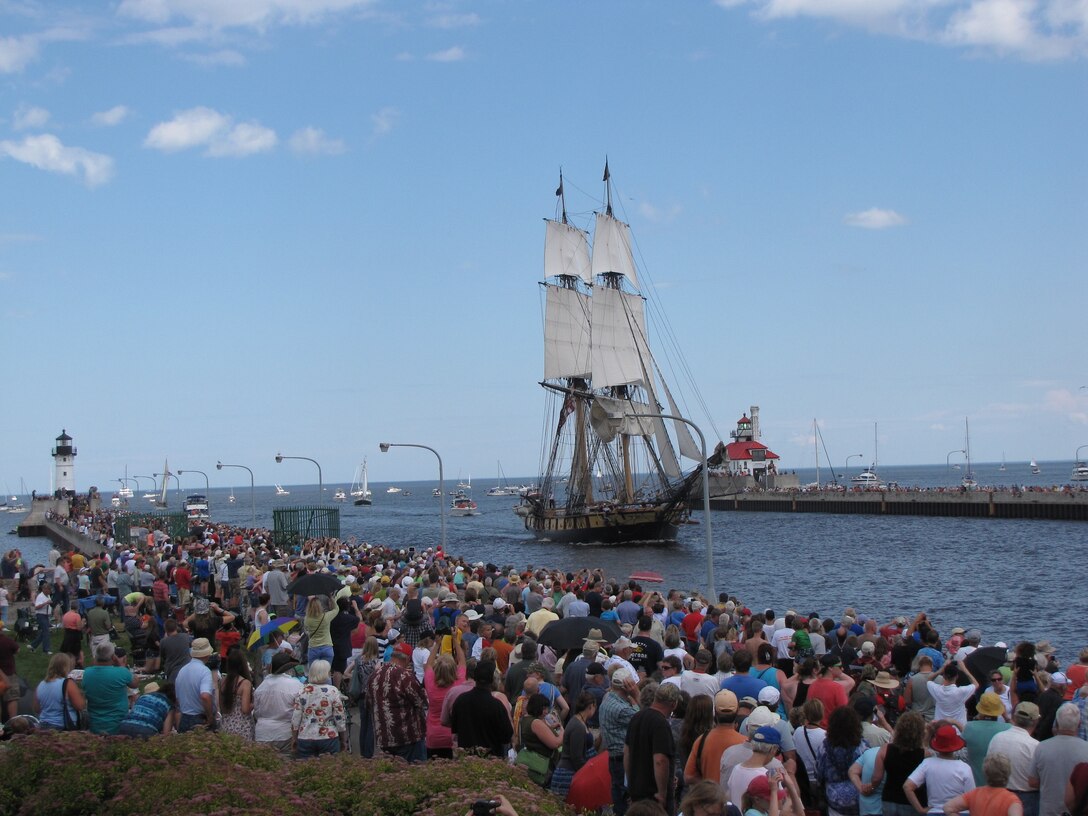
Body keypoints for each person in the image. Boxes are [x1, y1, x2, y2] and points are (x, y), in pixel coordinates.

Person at [626, 681, 681, 815]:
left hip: (637, 793)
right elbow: (660, 760)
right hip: (653, 797)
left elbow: (626, 753)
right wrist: (662, 793)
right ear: (674, 704)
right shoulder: (661, 724)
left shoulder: (636, 717)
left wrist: (631, 785)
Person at [366, 641, 427, 762]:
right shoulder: (405, 676)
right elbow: (421, 701)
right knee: (414, 775)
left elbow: (368, 703)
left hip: (384, 738)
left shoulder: (374, 675)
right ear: (407, 659)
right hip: (407, 737)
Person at [1029, 703, 1088, 816]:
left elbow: (1032, 781)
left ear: (1056, 723)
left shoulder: (1042, 747)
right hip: (1077, 811)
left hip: (1049, 811)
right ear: (1079, 724)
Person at [905, 724, 975, 815]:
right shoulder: (964, 768)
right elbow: (972, 798)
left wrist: (920, 810)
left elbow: (907, 786)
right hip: (959, 812)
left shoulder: (927, 764)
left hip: (935, 812)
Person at [450, 660, 515, 758]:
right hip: (491, 760)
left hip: (466, 759)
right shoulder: (496, 705)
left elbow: (454, 727)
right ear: (492, 680)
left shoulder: (461, 700)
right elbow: (506, 736)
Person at [987, 701, 1041, 816]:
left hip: (998, 795)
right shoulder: (1035, 746)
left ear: (1014, 717)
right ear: (1035, 721)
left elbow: (988, 766)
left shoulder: (997, 738)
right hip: (1026, 799)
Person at [602, 666, 642, 816]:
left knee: (618, 795)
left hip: (614, 757)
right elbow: (645, 718)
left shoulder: (608, 699)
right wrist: (636, 694)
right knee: (625, 800)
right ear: (628, 685)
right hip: (622, 758)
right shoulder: (621, 709)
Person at [685, 689, 747, 785]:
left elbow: (688, 777)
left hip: (710, 797)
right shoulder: (745, 743)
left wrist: (709, 784)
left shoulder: (702, 740)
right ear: (737, 711)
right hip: (734, 799)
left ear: (715, 711)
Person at [871, 711, 927, 816]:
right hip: (915, 801)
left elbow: (877, 778)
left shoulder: (885, 749)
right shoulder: (925, 754)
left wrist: (871, 787)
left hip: (890, 799)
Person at [291, 658, 347, 758]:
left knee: (306, 770)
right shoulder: (333, 691)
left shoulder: (303, 691)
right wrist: (343, 738)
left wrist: (294, 738)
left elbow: (296, 717)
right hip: (328, 736)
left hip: (305, 736)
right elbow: (339, 717)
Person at [817, 706, 867, 816]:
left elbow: (819, 773)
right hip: (859, 798)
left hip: (834, 799)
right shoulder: (863, 747)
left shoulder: (824, 747)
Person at [550, 689, 597, 799]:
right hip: (569, 775)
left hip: (572, 772)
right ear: (591, 706)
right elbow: (577, 757)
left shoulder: (580, 722)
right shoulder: (577, 726)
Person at [81, 641, 137, 735]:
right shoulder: (121, 672)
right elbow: (135, 683)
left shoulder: (87, 673)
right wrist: (120, 664)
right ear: (113, 657)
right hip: (118, 724)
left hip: (95, 725)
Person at [253, 651, 303, 755]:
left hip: (262, 734)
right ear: (289, 669)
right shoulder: (296, 685)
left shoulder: (261, 686)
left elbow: (256, 713)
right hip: (285, 733)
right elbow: (300, 710)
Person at [942, 753, 1023, 816]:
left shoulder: (974, 794)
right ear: (1008, 773)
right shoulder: (1011, 800)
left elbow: (948, 807)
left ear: (985, 773)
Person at [424, 642, 466, 759]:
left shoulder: (431, 683)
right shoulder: (459, 683)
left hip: (433, 736)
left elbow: (428, 665)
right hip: (451, 735)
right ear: (454, 670)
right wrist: (456, 641)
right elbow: (462, 662)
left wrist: (437, 643)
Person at [964, 692, 1011, 785]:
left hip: (975, 786)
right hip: (999, 787)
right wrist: (1006, 716)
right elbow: (1016, 728)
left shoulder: (969, 727)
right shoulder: (1008, 728)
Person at [33, 652, 85, 730]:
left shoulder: (41, 684)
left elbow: (36, 709)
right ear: (66, 667)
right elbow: (80, 706)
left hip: (44, 725)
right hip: (63, 727)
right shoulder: (68, 683)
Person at [175, 637, 217, 733]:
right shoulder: (204, 671)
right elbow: (205, 696)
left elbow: (177, 699)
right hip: (199, 718)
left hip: (184, 717)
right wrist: (210, 716)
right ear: (207, 654)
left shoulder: (182, 670)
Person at [219, 647, 254, 739]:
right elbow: (245, 709)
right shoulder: (245, 683)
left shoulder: (223, 681)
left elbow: (222, 706)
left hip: (226, 724)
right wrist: (253, 705)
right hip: (242, 726)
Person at [302, 595, 337, 667]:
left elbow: (307, 631)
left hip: (313, 647)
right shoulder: (326, 617)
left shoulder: (307, 619)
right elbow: (336, 609)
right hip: (327, 647)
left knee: (313, 673)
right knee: (326, 673)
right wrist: (331, 597)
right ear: (320, 606)